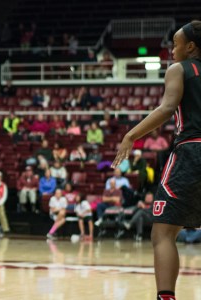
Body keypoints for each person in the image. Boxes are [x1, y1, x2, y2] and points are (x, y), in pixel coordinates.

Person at [114, 24, 201, 298]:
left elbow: (167, 107)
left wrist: (131, 135)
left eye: (175, 44)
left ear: (190, 47)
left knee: (163, 233)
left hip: (192, 151)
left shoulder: (180, 69)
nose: (171, 50)